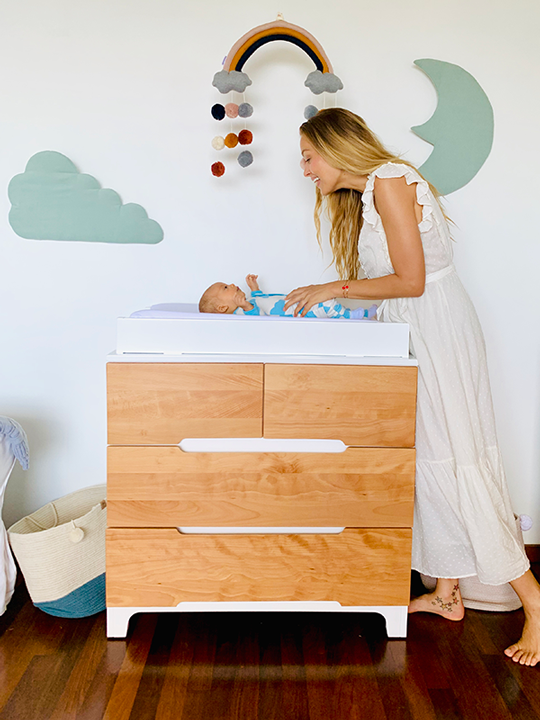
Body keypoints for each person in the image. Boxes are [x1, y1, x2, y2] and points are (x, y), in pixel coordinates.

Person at [284, 107, 540, 666]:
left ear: (335, 147)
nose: (304, 169)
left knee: (460, 459)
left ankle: (535, 603)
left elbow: (412, 281)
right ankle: (448, 594)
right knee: (429, 459)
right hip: (415, 333)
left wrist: (332, 288)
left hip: (438, 332)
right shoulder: (370, 193)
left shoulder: (392, 181)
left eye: (308, 156)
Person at [199, 274, 377, 318]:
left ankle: (356, 313)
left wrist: (255, 289)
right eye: (225, 288)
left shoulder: (249, 302)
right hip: (294, 311)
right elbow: (258, 318)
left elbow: (262, 300)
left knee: (319, 299)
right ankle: (352, 316)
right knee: (324, 305)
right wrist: (246, 306)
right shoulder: (241, 314)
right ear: (222, 308)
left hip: (291, 301)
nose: (231, 284)